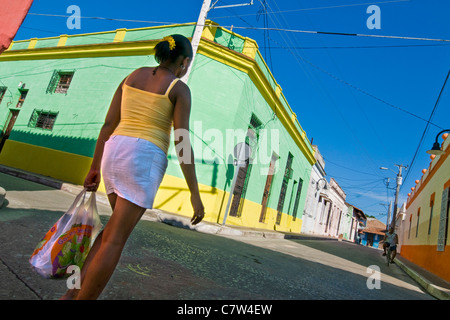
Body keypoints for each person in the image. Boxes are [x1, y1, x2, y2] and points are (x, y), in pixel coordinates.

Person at [61, 34, 205, 300]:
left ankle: (69, 297)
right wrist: (194, 193)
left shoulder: (131, 77)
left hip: (114, 151)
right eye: (187, 64)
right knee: (115, 240)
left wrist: (94, 167)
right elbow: (181, 141)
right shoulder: (179, 88)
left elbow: (108, 124)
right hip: (143, 157)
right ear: (184, 62)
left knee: (109, 235)